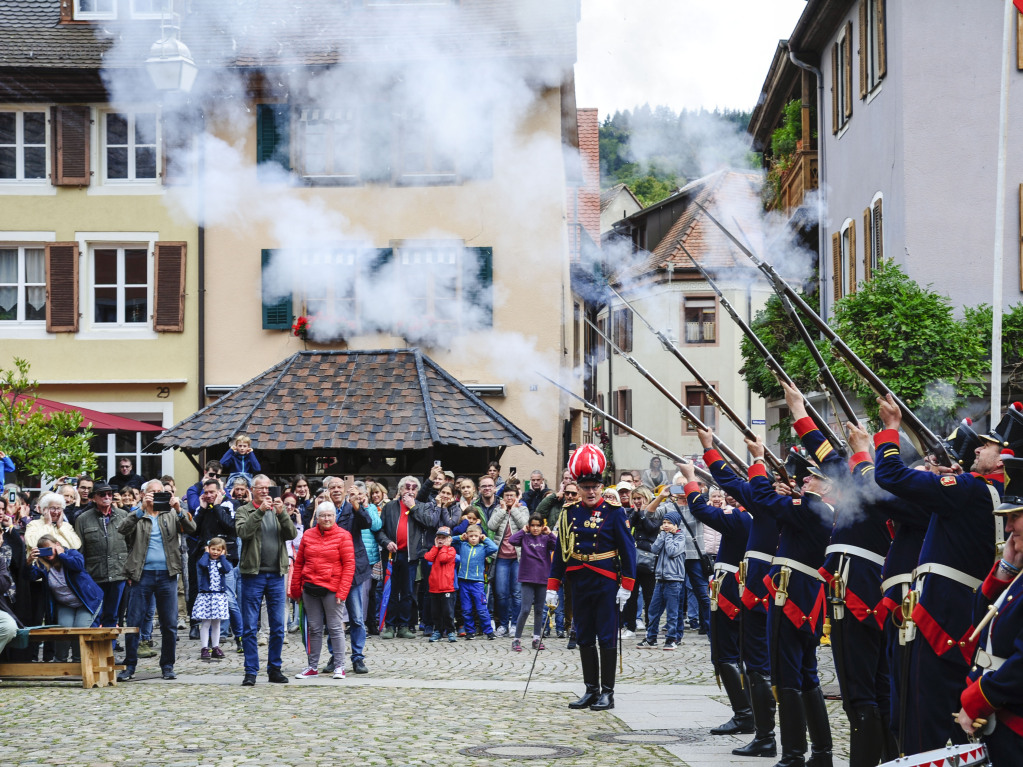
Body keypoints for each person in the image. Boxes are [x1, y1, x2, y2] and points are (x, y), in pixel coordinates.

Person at [872, 394, 1011, 755]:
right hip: (968, 623)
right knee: (956, 730)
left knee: (921, 728)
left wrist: (889, 429)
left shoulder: (969, 491)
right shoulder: (993, 493)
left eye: (990, 446)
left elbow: (889, 476)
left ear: (1007, 456)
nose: (979, 449)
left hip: (939, 622)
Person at [747, 431, 836, 767]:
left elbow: (762, 501)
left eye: (812, 478)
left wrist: (757, 461)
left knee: (787, 677)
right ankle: (823, 753)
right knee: (807, 675)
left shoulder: (812, 505)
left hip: (791, 596)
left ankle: (793, 755)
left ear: (825, 486)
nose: (806, 480)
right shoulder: (822, 509)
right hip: (807, 596)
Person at [546, 444, 637, 712]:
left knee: (606, 636)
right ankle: (590, 690)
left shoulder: (614, 511)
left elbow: (627, 549)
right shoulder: (569, 512)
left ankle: (607, 693)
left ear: (601, 486)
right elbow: (563, 550)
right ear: (579, 487)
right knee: (584, 635)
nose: (590, 491)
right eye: (585, 487)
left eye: (595, 486)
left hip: (606, 580)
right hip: (579, 581)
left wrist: (627, 585)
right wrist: (553, 584)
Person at [678, 460, 757, 740]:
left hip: (731, 592)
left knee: (726, 654)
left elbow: (699, 509)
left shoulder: (740, 519)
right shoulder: (760, 515)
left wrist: (690, 478)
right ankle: (753, 712)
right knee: (748, 655)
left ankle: (744, 715)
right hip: (747, 591)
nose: (730, 494)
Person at [957, 479, 1023, 766]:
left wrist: (979, 699)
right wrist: (1007, 568)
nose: (1008, 528)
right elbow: (981, 623)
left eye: (1015, 518)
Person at [118, 479, 196, 681]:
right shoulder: (138, 513)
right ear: (143, 494)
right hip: (141, 574)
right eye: (153, 492)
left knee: (169, 623)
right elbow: (122, 529)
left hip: (167, 574)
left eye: (161, 492)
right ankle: (130, 666)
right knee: (134, 621)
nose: (157, 495)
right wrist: (140, 509)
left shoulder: (171, 513)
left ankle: (167, 666)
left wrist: (179, 510)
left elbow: (192, 528)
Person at [235, 474, 298, 687]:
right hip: (253, 574)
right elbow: (243, 532)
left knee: (278, 626)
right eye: (260, 488)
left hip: (276, 574)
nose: (264, 491)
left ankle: (274, 669)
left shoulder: (278, 511)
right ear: (252, 490)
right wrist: (260, 511)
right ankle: (251, 671)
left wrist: (282, 514)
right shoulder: (244, 510)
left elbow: (290, 534)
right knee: (250, 626)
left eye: (268, 488)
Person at [291, 502, 355, 680]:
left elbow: (349, 565)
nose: (326, 519)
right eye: (323, 515)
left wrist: (342, 592)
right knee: (314, 629)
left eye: (330, 515)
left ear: (335, 517)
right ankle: (312, 667)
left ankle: (339, 666)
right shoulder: (308, 535)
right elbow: (299, 563)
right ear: (317, 518)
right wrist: (296, 589)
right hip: (310, 587)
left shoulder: (344, 536)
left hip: (332, 588)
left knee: (335, 627)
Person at [323, 477, 376, 675]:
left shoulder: (352, 507)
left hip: (354, 569)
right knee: (333, 618)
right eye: (332, 487)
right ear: (327, 490)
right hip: (331, 570)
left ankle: (357, 657)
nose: (336, 490)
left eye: (339, 487)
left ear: (345, 490)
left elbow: (367, 523)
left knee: (356, 617)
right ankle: (335, 656)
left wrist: (356, 504)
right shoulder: (325, 509)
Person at [28, 534, 103, 663]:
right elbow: (30, 577)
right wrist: (29, 562)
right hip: (65, 604)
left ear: (57, 545)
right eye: (43, 551)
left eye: (49, 549)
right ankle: (60, 661)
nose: (47, 554)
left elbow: (78, 565)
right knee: (63, 630)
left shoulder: (71, 553)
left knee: (80, 629)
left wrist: (62, 555)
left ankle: (79, 661)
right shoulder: (43, 564)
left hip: (86, 601)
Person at [375, 476, 434, 638]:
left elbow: (428, 523)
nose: (410, 491)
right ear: (400, 490)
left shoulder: (420, 507)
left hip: (411, 556)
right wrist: (386, 542)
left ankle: (404, 625)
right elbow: (380, 531)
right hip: (392, 555)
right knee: (391, 591)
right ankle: (390, 626)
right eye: (406, 488)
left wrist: (413, 507)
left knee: (408, 592)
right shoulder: (390, 507)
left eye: (414, 488)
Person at [73, 483, 130, 632]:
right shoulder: (83, 519)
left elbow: (131, 544)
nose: (107, 497)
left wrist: (130, 571)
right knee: (95, 614)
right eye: (102, 494)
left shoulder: (123, 516)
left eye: (109, 494)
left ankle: (108, 651)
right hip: (94, 574)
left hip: (119, 573)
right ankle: (94, 652)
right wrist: (82, 576)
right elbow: (80, 549)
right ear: (93, 498)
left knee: (113, 615)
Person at [186, 478, 236, 640]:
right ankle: (198, 627)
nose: (208, 496)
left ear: (220, 492)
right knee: (201, 593)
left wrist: (217, 506)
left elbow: (230, 526)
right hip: (204, 558)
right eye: (205, 493)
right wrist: (201, 509)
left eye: (211, 492)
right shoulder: (203, 508)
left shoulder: (229, 505)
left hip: (224, 558)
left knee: (228, 596)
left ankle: (231, 632)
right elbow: (192, 531)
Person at [636, 509, 687, 650]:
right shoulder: (663, 535)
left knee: (672, 612)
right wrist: (663, 535)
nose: (665, 525)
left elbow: (672, 552)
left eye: (669, 523)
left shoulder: (680, 537)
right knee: (653, 610)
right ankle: (651, 638)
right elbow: (654, 549)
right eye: (664, 523)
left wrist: (669, 535)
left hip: (674, 580)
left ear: (676, 524)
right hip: (661, 579)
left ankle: (672, 638)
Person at [508, 513, 556, 651]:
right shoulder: (524, 537)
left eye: (538, 526)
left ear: (542, 526)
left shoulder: (546, 539)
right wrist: (523, 530)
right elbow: (512, 540)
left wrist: (550, 533)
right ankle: (516, 639)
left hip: (542, 578)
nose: (535, 528)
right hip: (527, 578)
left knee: (540, 610)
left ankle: (536, 638)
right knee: (525, 609)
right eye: (533, 525)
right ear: (529, 526)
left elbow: (558, 546)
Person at [488, 481, 529, 637]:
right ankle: (503, 624)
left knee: (517, 594)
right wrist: (503, 511)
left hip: (518, 558)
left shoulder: (523, 509)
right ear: (503, 497)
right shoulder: (499, 509)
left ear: (517, 497)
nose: (509, 498)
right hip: (501, 558)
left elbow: (525, 524)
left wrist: (514, 511)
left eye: (512, 495)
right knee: (501, 593)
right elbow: (491, 526)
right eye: (507, 496)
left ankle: (515, 624)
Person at [455, 523, 497, 639]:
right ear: (467, 536)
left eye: (476, 536)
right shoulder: (463, 546)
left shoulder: (483, 548)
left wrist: (485, 539)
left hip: (477, 583)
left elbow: (494, 548)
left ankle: (489, 631)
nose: (473, 538)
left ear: (480, 537)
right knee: (466, 609)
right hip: (464, 581)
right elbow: (451, 541)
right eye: (471, 536)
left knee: (481, 609)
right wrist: (460, 537)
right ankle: (470, 631)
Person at [423, 526, 458, 642]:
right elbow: (428, 557)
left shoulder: (451, 550)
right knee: (435, 612)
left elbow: (443, 558)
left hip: (447, 587)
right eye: (438, 538)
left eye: (444, 538)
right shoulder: (435, 550)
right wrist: (435, 547)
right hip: (434, 588)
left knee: (448, 612)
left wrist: (444, 547)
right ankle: (437, 630)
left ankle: (450, 631)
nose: (440, 540)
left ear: (449, 539)